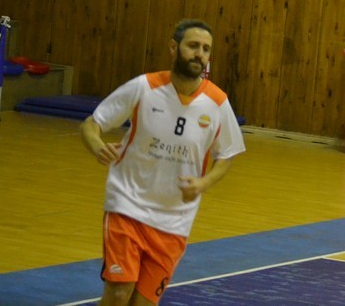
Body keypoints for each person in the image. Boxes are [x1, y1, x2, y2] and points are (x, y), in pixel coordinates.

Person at [80, 19, 246, 306]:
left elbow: (227, 154)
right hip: (127, 205)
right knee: (119, 293)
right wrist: (97, 146)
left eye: (206, 49)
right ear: (173, 47)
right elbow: (91, 124)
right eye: (193, 46)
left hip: (174, 221)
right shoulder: (144, 87)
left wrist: (203, 183)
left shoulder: (217, 102)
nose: (199, 54)